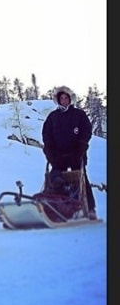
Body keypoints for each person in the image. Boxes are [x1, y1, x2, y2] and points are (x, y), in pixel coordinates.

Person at [41, 85, 96, 219]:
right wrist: (49, 151)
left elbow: (86, 131)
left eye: (66, 98)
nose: (64, 100)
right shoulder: (53, 117)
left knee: (82, 179)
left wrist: (81, 147)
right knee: (55, 179)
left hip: (76, 154)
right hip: (58, 156)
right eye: (62, 98)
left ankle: (90, 209)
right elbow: (46, 134)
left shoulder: (79, 115)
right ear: (58, 100)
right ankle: (56, 207)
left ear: (70, 99)